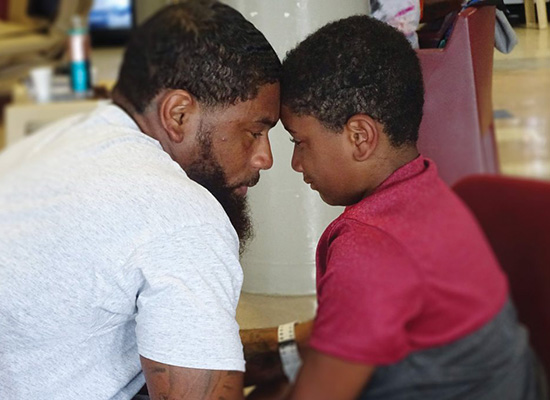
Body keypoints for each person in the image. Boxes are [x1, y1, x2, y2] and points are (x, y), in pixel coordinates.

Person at [241, 15, 543, 400]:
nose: (296, 163)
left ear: (360, 137)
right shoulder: (423, 188)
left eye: (300, 142)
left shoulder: (368, 249)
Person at [0, 1, 281, 399]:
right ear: (179, 114)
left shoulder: (52, 141)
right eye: (255, 131)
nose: (264, 158)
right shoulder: (184, 215)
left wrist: (291, 347)